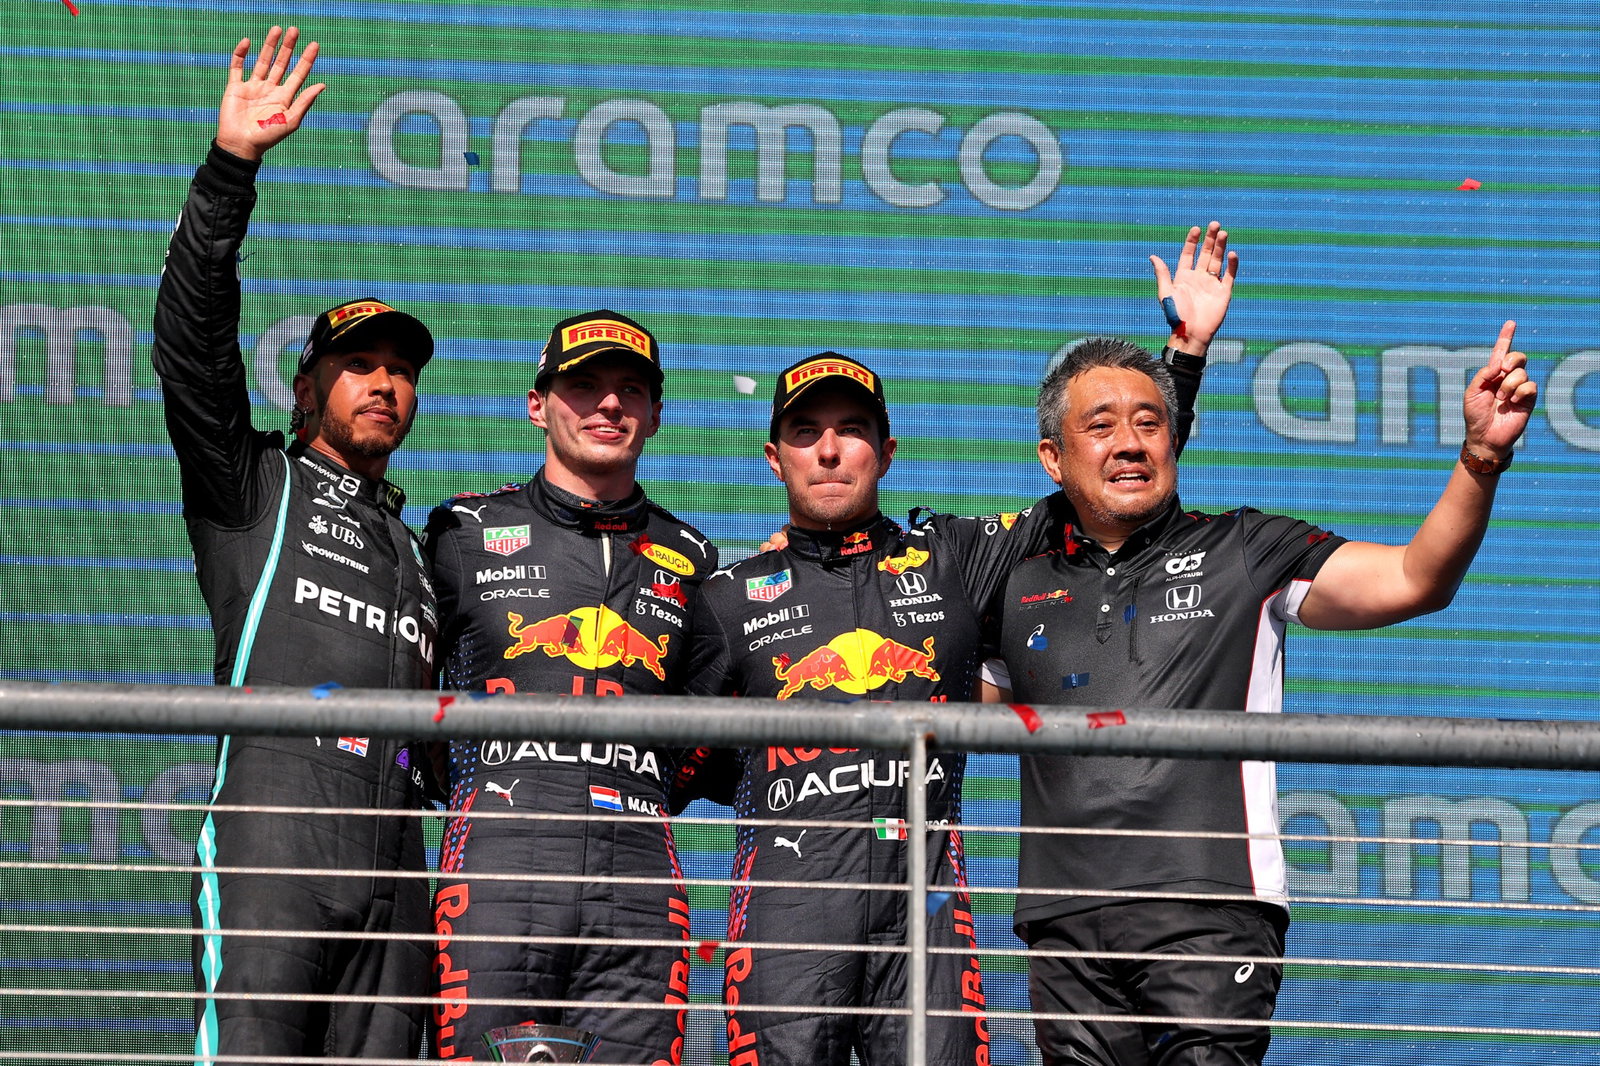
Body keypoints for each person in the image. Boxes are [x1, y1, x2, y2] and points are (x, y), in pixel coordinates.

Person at [677, 220, 1234, 1066]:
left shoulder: (950, 558)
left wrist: (1183, 359)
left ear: (887, 450)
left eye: (852, 429)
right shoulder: (724, 597)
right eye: (805, 432)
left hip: (928, 910)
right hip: (787, 914)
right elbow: (689, 763)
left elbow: (1106, 483)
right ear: (773, 457)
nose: (830, 449)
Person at [988, 322, 1537, 1066]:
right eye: (1102, 425)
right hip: (1066, 918)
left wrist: (1482, 456)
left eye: (1151, 423)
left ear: (1174, 442)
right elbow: (951, 717)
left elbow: (1416, 578)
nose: (1131, 442)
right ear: (1053, 457)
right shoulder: (1013, 579)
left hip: (1214, 910)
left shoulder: (1245, 549)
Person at [151, 27, 437, 1064]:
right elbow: (188, 343)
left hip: (397, 855)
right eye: (357, 363)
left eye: (402, 370)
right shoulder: (252, 484)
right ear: (306, 386)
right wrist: (233, 167)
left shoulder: (417, 546)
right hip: (277, 835)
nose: (384, 383)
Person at [424, 310, 717, 1063]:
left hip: (641, 872)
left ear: (656, 413)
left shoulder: (692, 555)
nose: (608, 405)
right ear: (538, 404)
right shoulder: (462, 531)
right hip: (499, 860)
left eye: (630, 390)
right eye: (583, 385)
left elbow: (707, 730)